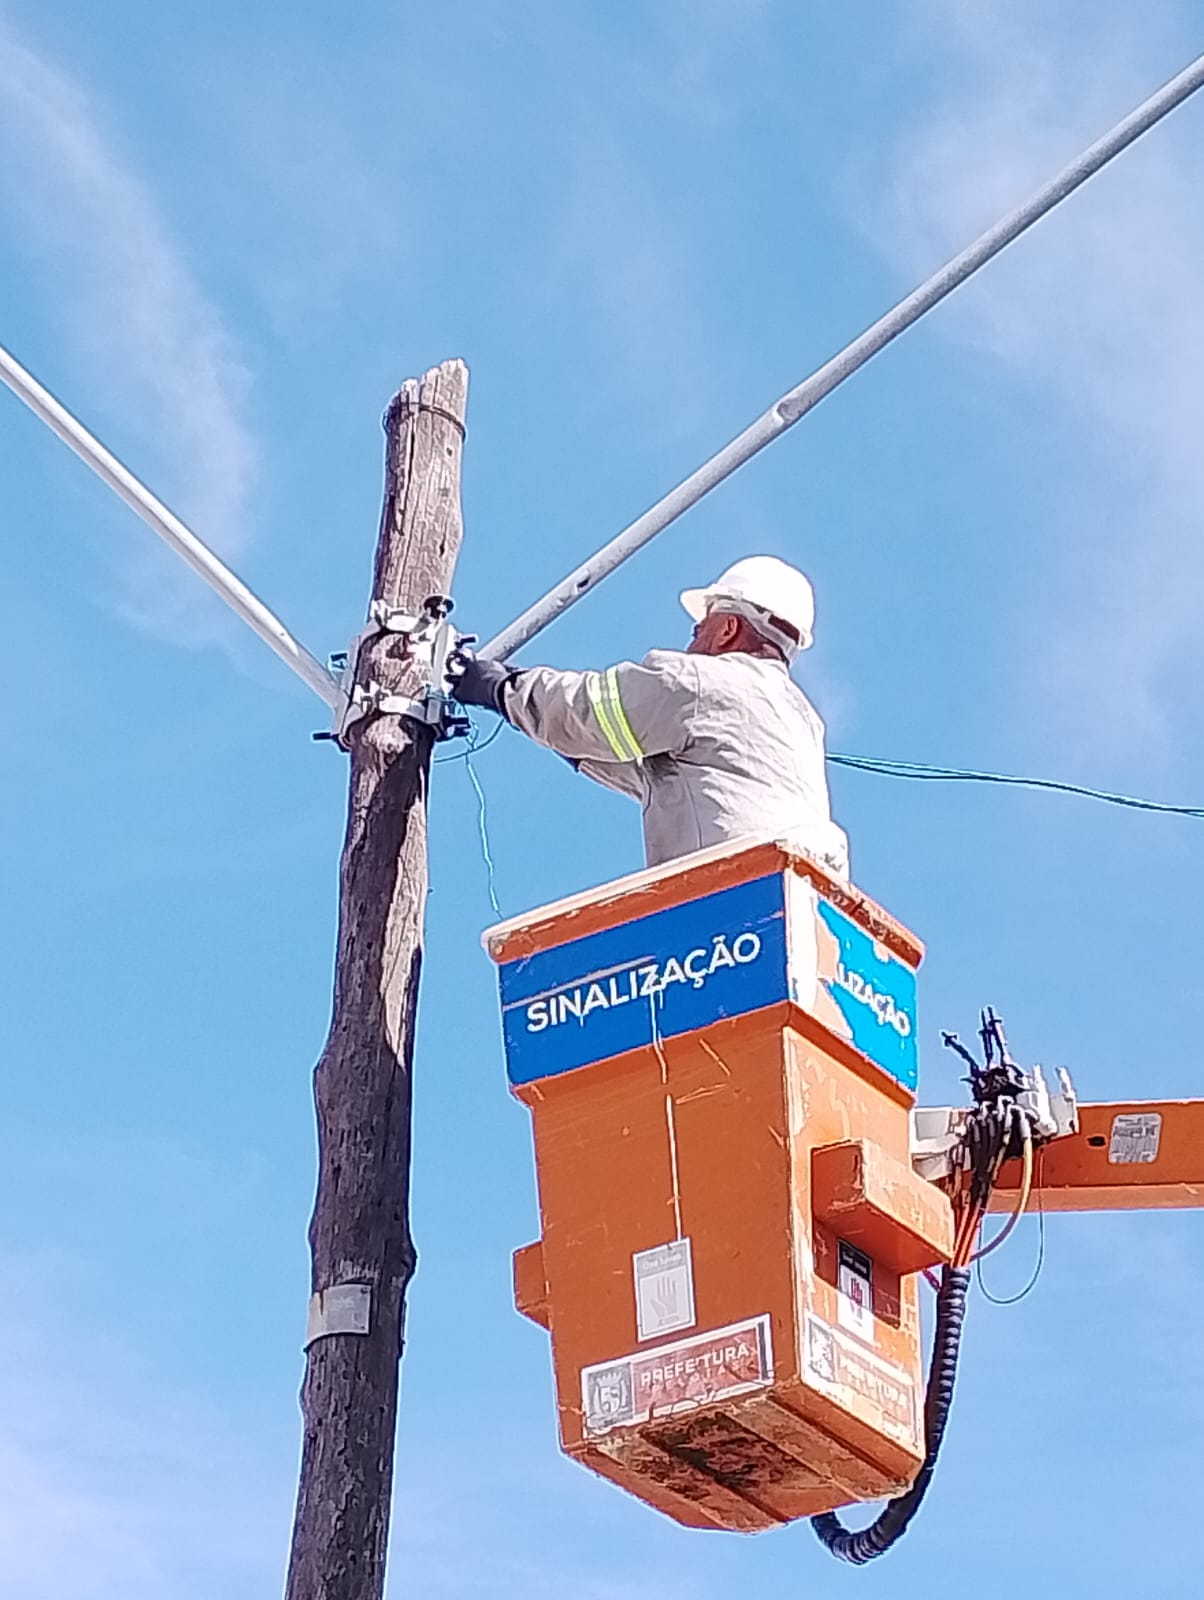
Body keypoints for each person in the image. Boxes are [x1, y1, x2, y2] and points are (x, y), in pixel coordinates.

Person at [452, 556, 849, 877]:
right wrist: (558, 736)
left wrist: (499, 686)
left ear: (728, 628)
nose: (693, 639)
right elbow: (662, 775)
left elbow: (589, 711)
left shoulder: (700, 681)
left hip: (724, 894)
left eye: (699, 628)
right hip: (797, 908)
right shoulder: (800, 721)